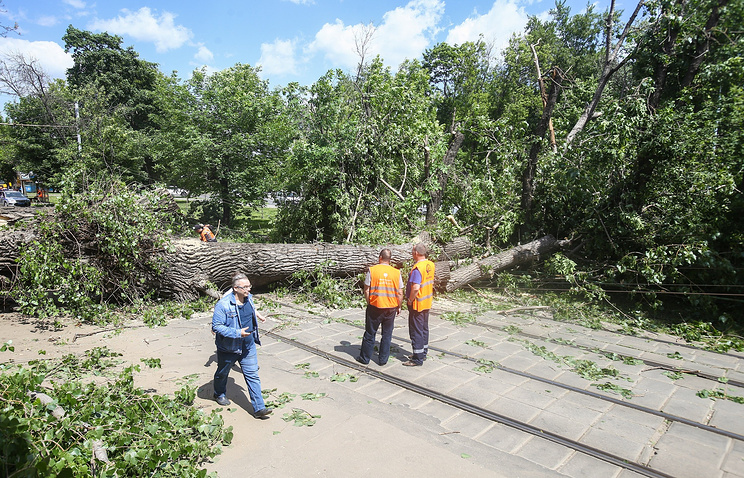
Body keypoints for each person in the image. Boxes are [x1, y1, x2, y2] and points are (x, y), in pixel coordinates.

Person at [211, 273, 273, 418]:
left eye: (249, 286)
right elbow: (216, 326)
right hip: (229, 347)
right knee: (222, 373)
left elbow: (251, 308)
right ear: (235, 288)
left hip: (248, 345)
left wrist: (258, 315)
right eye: (245, 287)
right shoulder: (223, 305)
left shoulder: (248, 297)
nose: (248, 289)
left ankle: (259, 408)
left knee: (252, 375)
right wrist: (237, 333)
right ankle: (219, 393)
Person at [356, 249, 403, 366]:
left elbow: (367, 289)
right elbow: (400, 293)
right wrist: (399, 306)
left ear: (380, 257)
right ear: (390, 259)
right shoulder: (396, 273)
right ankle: (383, 360)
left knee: (370, 333)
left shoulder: (372, 270)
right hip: (391, 308)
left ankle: (365, 358)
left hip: (375, 306)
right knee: (387, 335)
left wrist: (369, 302)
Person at [403, 243, 435, 367]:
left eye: (412, 251)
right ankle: (423, 352)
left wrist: (410, 300)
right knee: (424, 328)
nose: (411, 253)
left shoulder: (417, 269)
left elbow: (416, 288)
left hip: (417, 304)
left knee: (416, 330)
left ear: (416, 253)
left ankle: (417, 358)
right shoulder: (430, 264)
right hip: (427, 301)